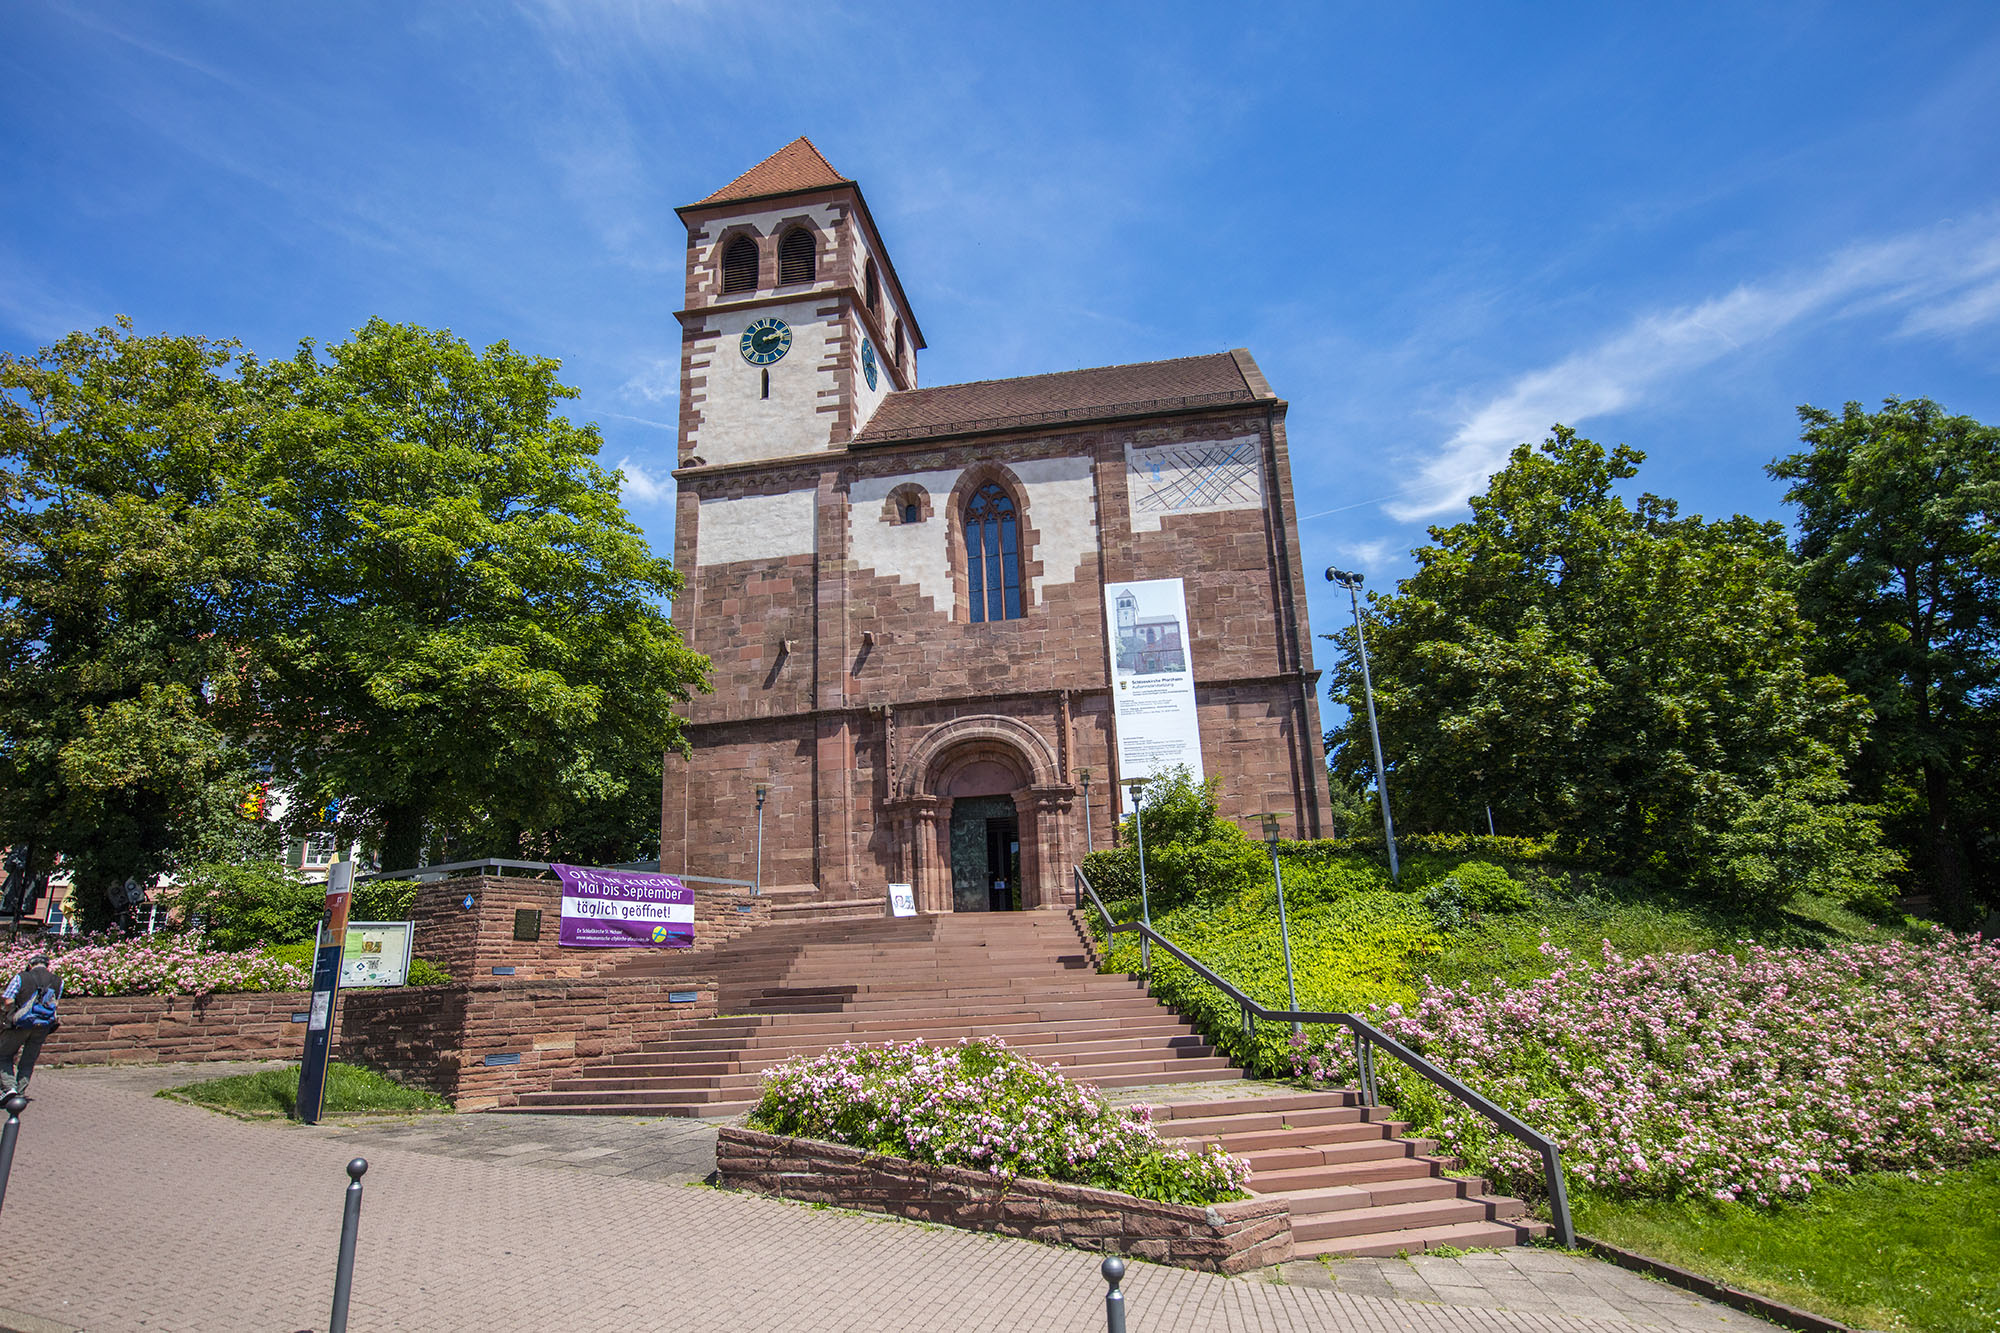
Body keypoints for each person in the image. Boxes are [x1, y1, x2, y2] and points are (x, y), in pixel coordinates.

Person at [0, 953, 60, 1097]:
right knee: (28, 1060)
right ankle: (20, 1093)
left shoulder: (22, 977)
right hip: (43, 1025)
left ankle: (9, 1088)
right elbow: (55, 1003)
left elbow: (8, 1001)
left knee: (3, 1055)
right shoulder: (57, 981)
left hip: (20, 1025)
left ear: (30, 965)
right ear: (47, 965)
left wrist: (10, 1015)